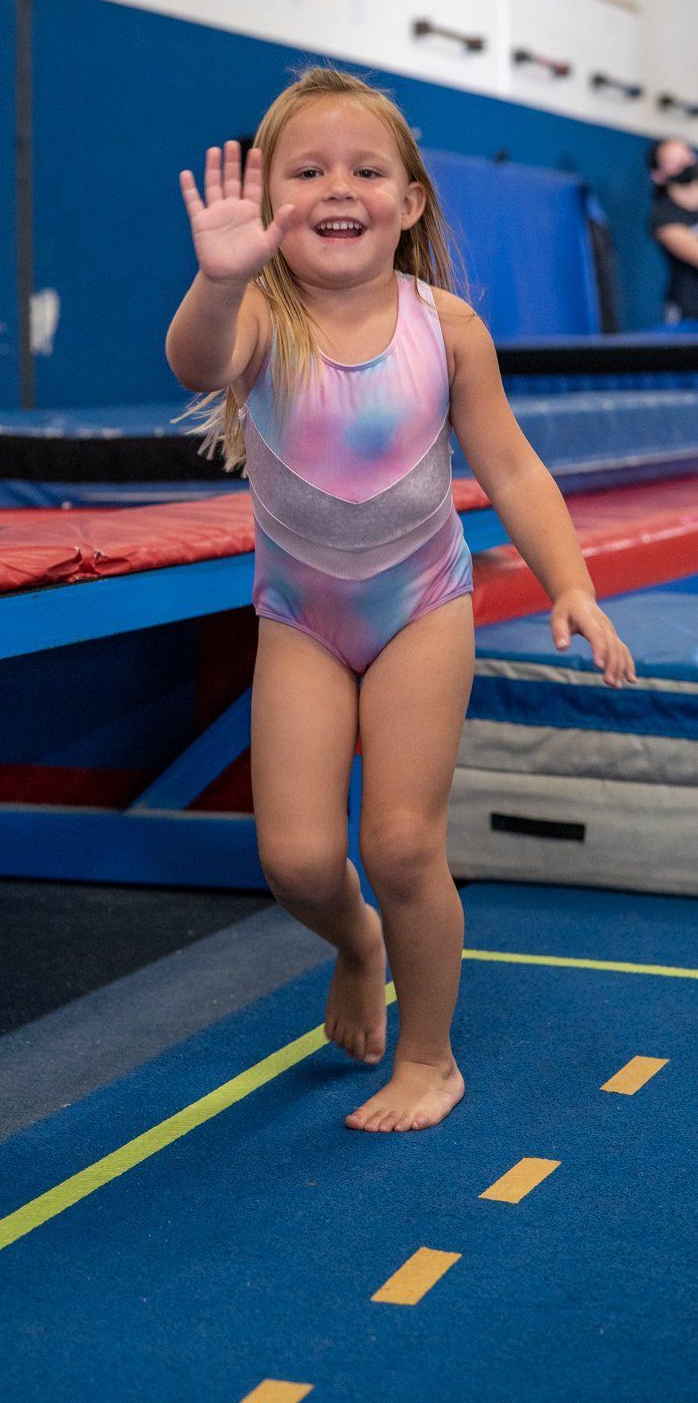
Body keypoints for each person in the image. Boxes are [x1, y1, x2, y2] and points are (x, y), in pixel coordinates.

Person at [165, 66, 636, 1135]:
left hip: (420, 604)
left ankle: (428, 1057)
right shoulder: (259, 320)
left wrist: (572, 585)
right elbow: (194, 360)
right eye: (310, 170)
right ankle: (356, 945)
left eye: (366, 169)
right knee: (292, 858)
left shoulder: (446, 325)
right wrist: (220, 279)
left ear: (410, 201)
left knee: (401, 844)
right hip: (301, 617)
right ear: (273, 202)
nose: (340, 187)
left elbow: (511, 469)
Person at [648, 135, 698, 325]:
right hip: (689, 314)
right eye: (672, 160)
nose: (684, 162)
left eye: (685, 154)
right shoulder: (663, 216)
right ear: (658, 174)